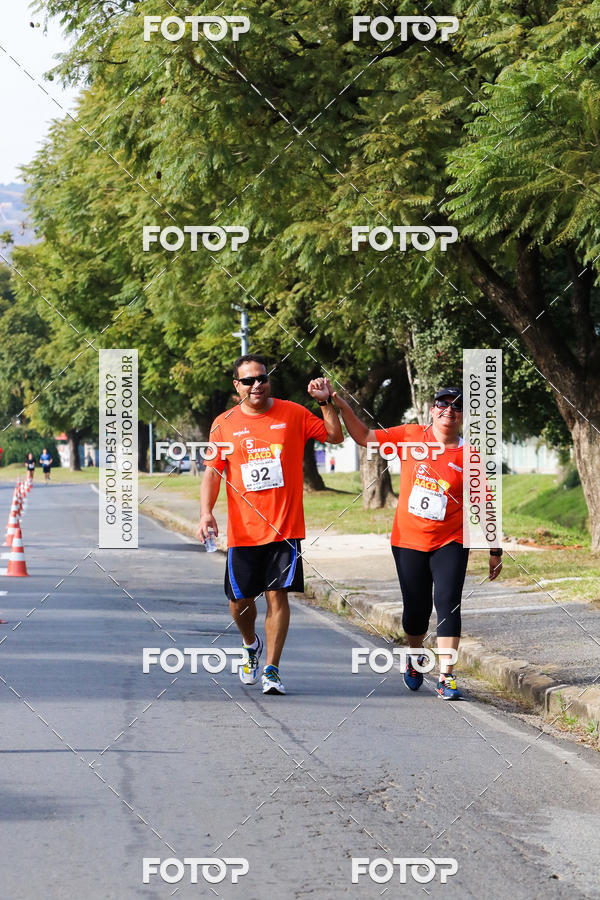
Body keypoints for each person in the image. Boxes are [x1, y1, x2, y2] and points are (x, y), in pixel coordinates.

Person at [332, 384, 502, 701]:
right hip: (408, 540)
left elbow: (484, 505)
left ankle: (446, 676)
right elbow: (366, 438)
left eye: (457, 406)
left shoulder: (471, 456)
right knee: (416, 612)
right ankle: (414, 653)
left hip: (451, 540)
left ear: (464, 416)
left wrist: (495, 550)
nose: (449, 410)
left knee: (449, 603)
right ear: (431, 408)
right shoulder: (411, 436)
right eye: (443, 403)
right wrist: (342, 406)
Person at [198, 355, 343, 695]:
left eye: (261, 378)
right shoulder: (223, 423)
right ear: (237, 387)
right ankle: (250, 644)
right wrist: (206, 513)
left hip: (285, 528)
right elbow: (213, 471)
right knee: (240, 600)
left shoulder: (293, 413)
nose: (256, 385)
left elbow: (335, 436)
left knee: (277, 596)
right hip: (243, 530)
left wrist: (325, 403)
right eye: (248, 381)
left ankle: (273, 669)